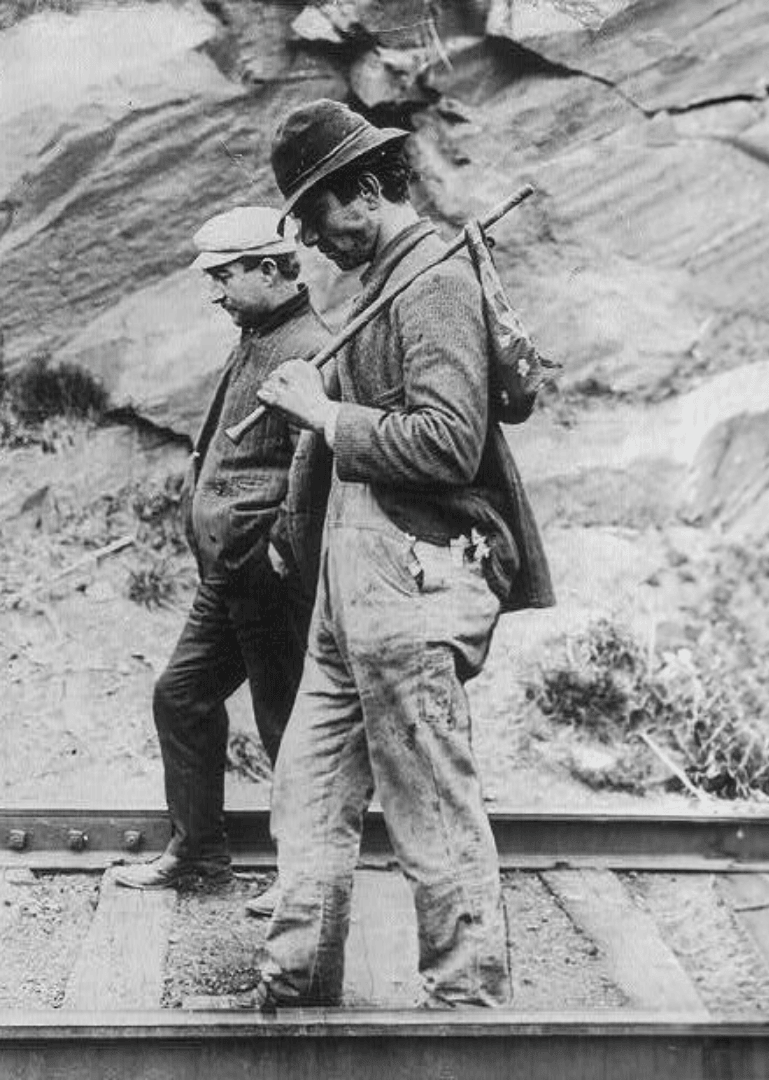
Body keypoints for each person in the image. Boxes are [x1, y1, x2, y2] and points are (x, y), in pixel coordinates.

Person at [238, 99, 555, 1010]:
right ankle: (295, 983)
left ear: (369, 192)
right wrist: (295, 534)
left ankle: (466, 1006)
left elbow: (448, 442)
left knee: (430, 807)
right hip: (354, 584)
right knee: (306, 790)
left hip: (414, 574)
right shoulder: (377, 281)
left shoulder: (434, 282)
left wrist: (324, 414)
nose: (311, 239)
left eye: (317, 215)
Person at [113, 207, 333, 916]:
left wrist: (277, 551)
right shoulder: (261, 336)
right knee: (181, 696)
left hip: (266, 575)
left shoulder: (312, 348)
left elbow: (312, 471)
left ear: (269, 271)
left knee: (286, 724)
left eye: (223, 277)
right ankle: (200, 854)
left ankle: (305, 879)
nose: (214, 293)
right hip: (231, 572)